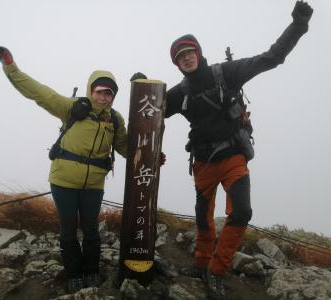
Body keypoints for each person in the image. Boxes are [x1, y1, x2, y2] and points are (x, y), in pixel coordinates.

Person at [133, 1, 313, 299]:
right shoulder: (179, 94)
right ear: (176, 64)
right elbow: (151, 113)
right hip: (203, 162)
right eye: (180, 57)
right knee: (203, 218)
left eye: (189, 52)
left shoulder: (226, 73)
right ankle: (202, 263)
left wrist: (299, 25)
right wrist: (142, 88)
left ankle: (217, 271)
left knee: (242, 211)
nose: (186, 58)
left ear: (199, 53)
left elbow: (272, 57)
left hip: (233, 156)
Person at [0, 46, 128, 294]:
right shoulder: (74, 108)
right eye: (100, 91)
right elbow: (39, 93)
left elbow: (126, 149)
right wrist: (11, 67)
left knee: (90, 229)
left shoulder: (115, 121)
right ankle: (74, 274)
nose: (104, 97)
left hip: (94, 185)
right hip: (63, 181)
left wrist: (150, 155)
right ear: (91, 90)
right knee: (68, 229)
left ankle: (91, 272)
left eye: (109, 93)